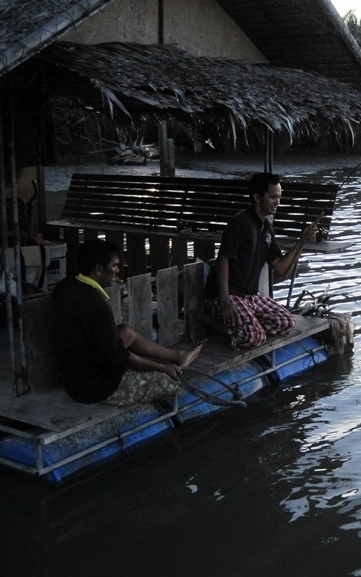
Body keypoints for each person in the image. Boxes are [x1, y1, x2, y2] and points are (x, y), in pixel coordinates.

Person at [51, 239, 201, 406]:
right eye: (114, 266)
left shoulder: (65, 286)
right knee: (170, 382)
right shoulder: (96, 305)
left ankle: (178, 356)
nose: (117, 270)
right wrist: (162, 368)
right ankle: (170, 365)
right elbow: (120, 357)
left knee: (125, 331)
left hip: (74, 372)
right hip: (92, 388)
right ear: (99, 268)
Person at [202, 172, 317, 348]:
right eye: (272, 197)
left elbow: (280, 268)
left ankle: (244, 321)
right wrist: (224, 301)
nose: (277, 202)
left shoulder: (266, 227)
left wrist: (303, 241)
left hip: (250, 295)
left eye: (279, 197)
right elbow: (223, 259)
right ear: (257, 197)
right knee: (255, 338)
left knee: (286, 322)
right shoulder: (241, 222)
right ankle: (206, 320)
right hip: (226, 294)